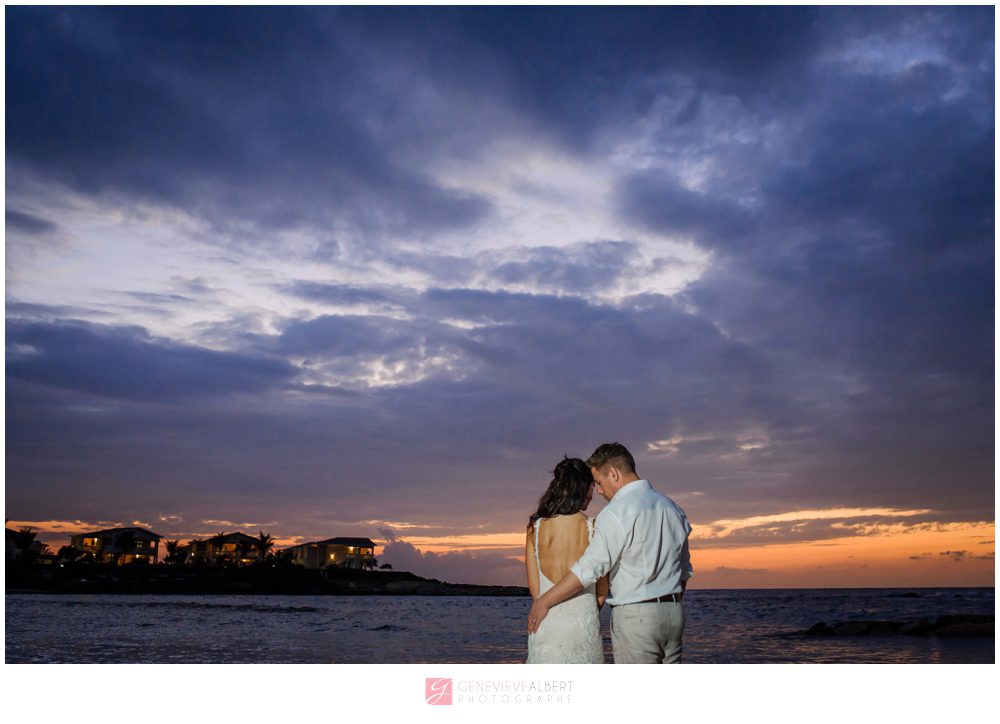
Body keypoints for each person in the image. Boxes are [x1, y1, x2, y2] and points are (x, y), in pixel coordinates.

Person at [527, 443, 693, 663]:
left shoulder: (615, 512)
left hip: (636, 618)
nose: (599, 491)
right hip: (674, 615)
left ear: (614, 474)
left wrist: (544, 602)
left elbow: (591, 567)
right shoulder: (673, 508)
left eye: (599, 482)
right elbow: (684, 571)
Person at [525, 457, 609, 664]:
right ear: (580, 488)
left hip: (545, 622)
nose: (592, 496)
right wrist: (585, 611)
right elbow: (601, 592)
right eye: (591, 488)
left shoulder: (535, 528)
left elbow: (535, 588)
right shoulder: (594, 527)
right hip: (582, 626)